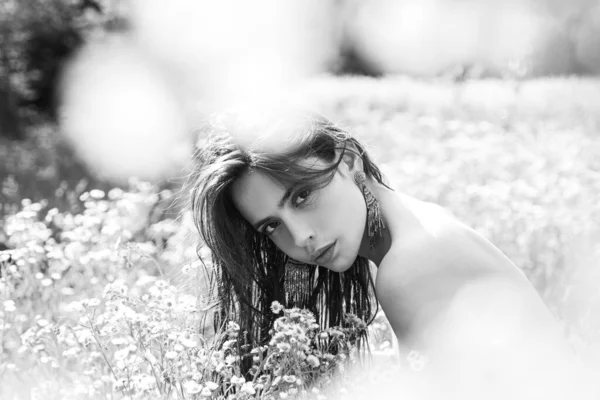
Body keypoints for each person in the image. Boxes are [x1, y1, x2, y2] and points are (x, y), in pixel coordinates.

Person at [189, 109, 595, 398]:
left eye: (302, 195)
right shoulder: (418, 232)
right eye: (272, 226)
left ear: (347, 161)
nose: (301, 238)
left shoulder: (411, 266)